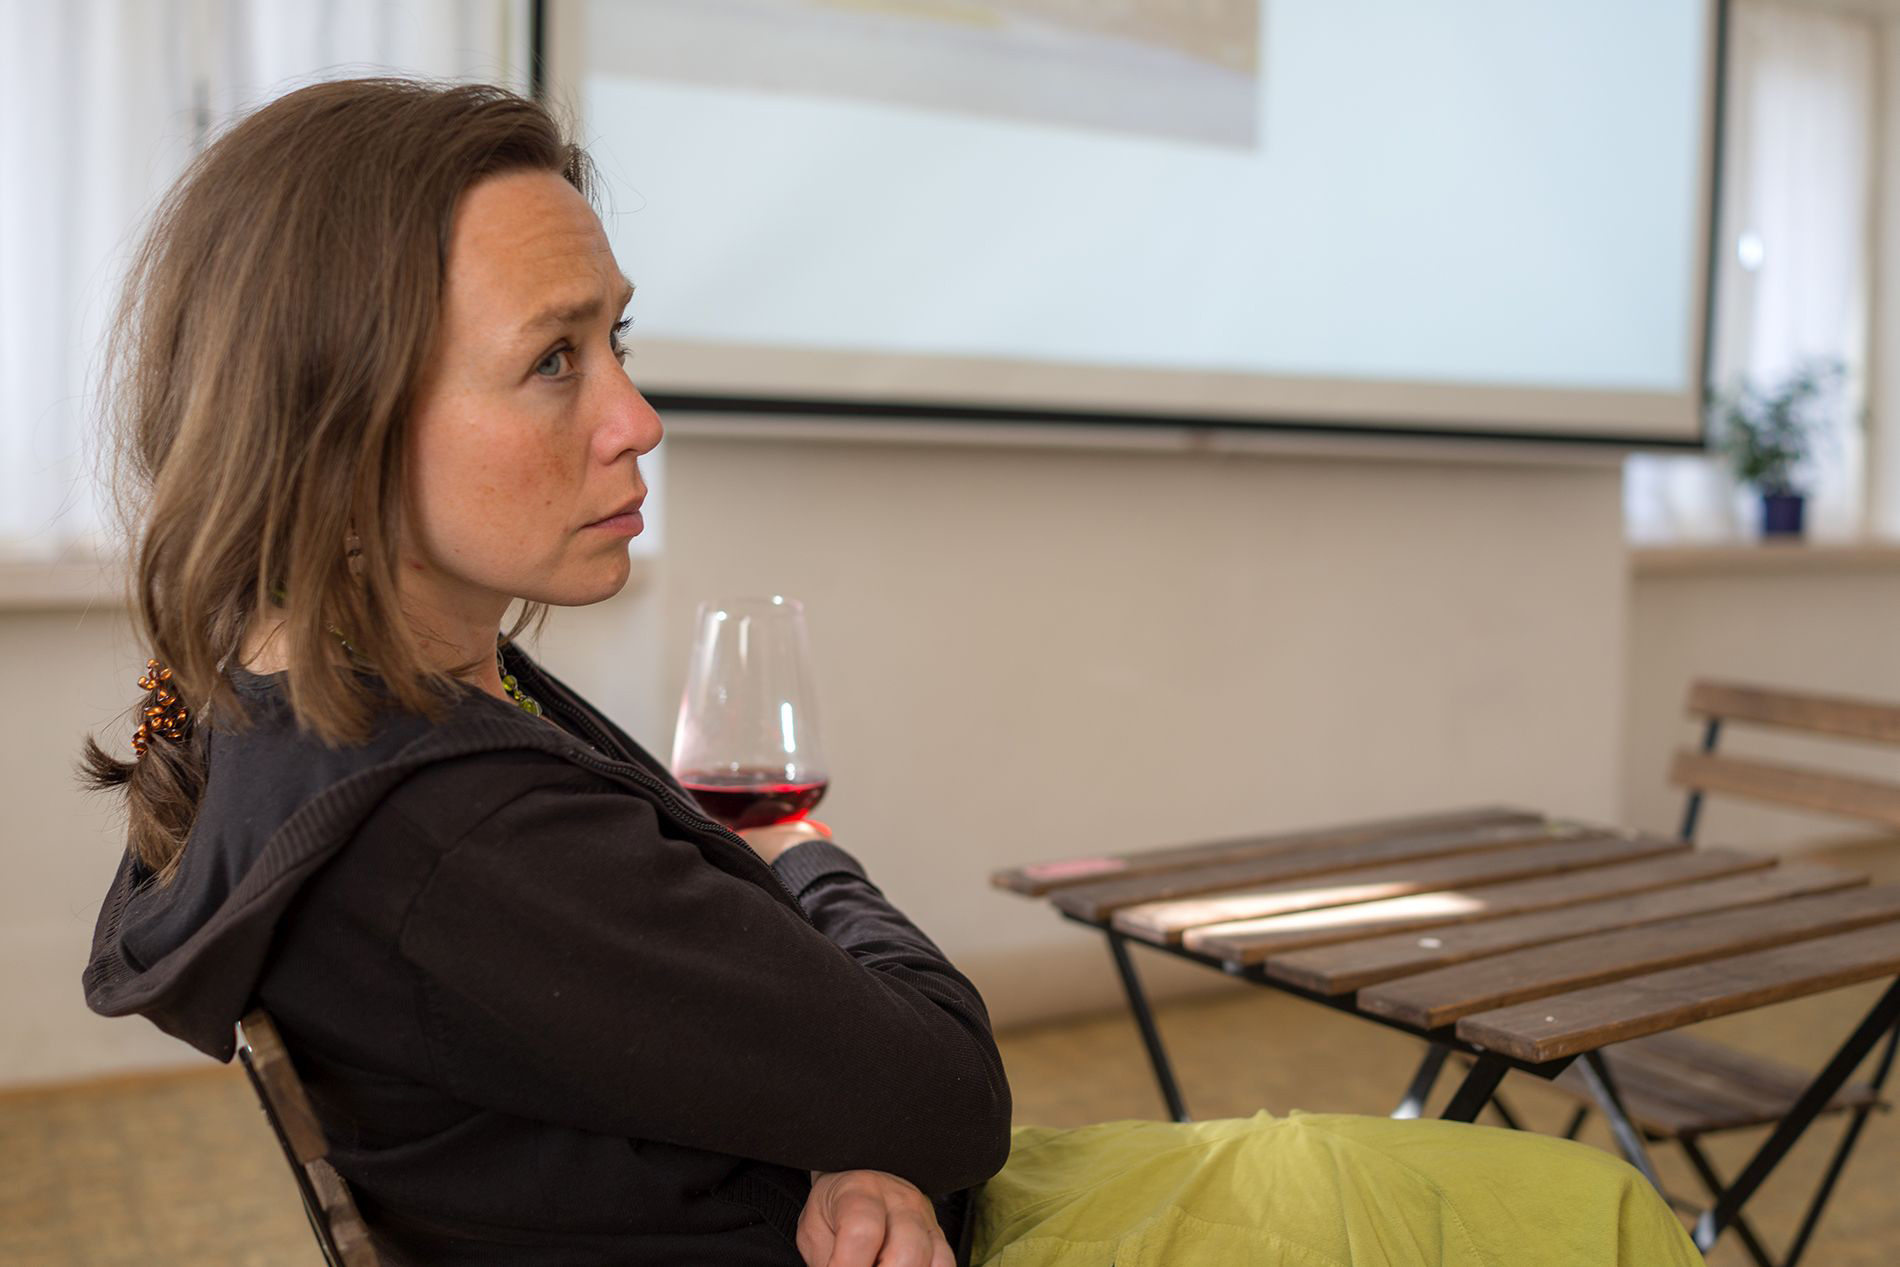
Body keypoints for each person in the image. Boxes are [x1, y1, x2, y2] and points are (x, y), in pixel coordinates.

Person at [80, 79, 1700, 1267]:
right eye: (552, 361)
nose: (636, 417)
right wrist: (809, 862)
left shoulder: (328, 714)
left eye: (619, 341)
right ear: (338, 418)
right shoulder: (447, 830)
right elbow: (947, 1090)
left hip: (844, 1207)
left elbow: (672, 1071)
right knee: (1588, 1214)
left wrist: (843, 1146)